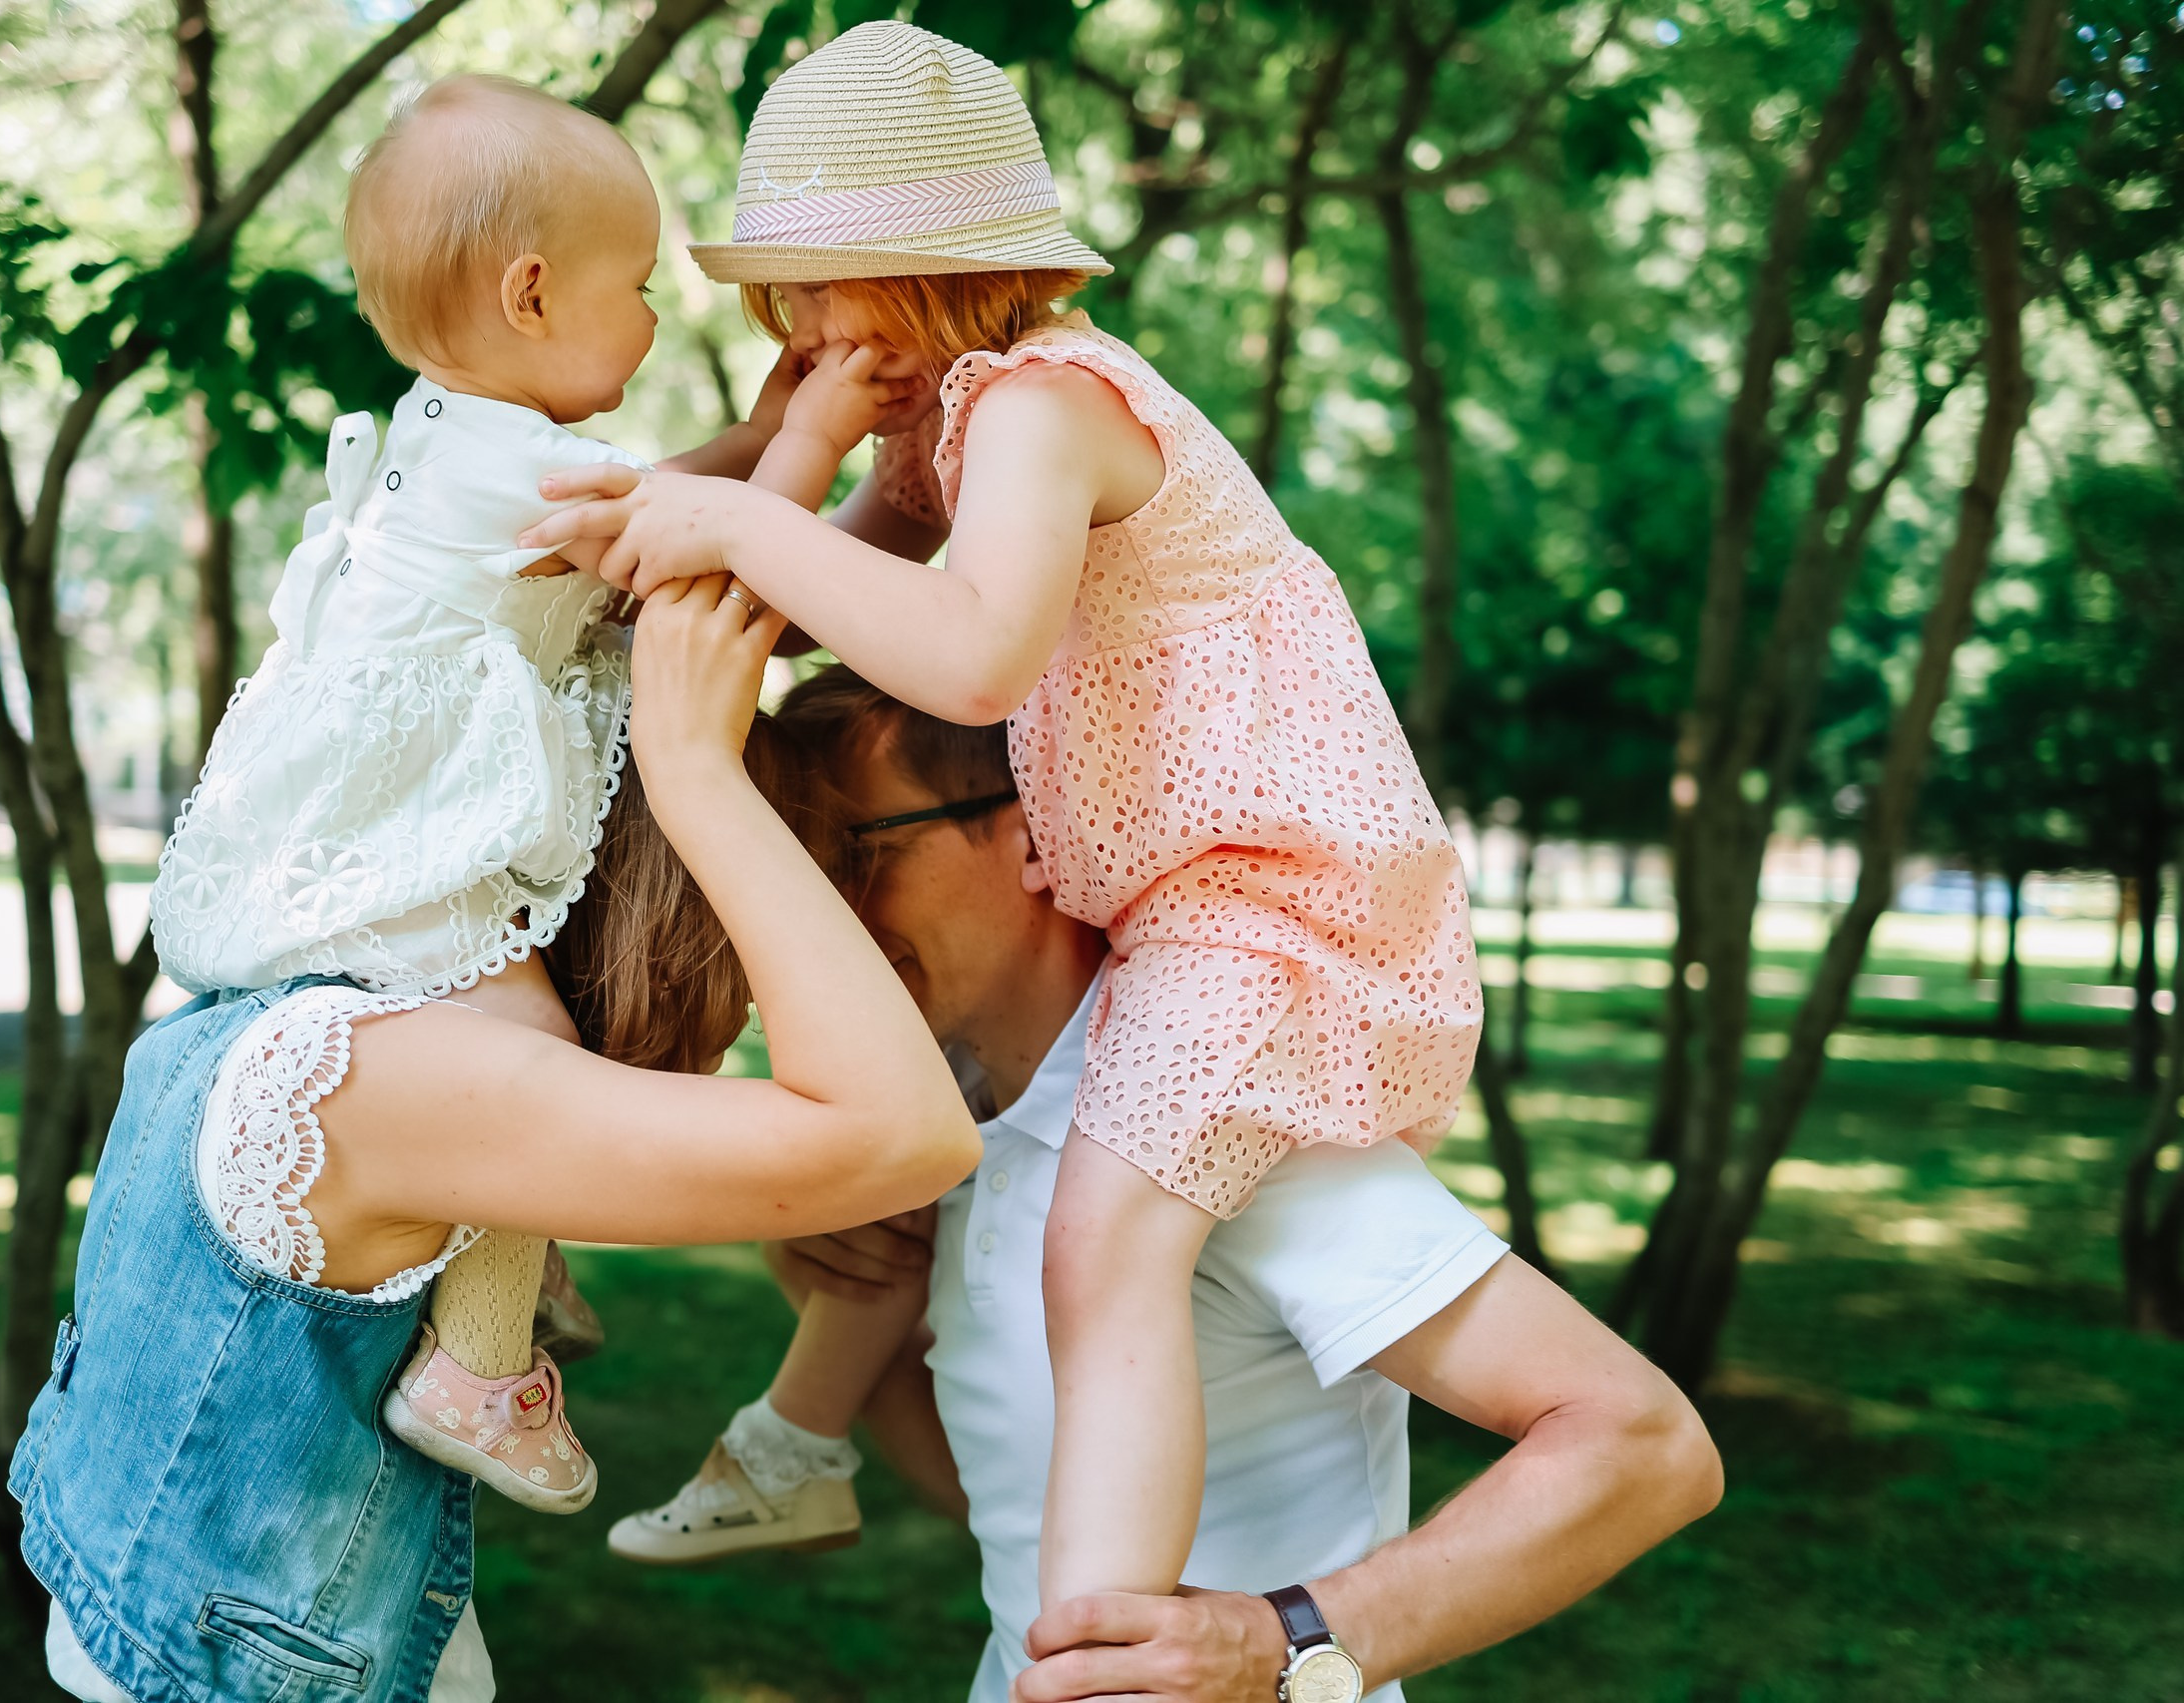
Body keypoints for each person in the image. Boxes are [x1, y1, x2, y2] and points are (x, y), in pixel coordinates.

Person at [534, 21, 1486, 1615]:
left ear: (945, 270)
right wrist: (769, 457)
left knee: (1103, 1243)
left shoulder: (1045, 403)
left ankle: (1094, 1640)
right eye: (791, 294)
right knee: (1013, 1206)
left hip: (1266, 894)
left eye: (834, 283)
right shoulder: (947, 430)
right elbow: (784, 596)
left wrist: (723, 509)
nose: (811, 321)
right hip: (1179, 893)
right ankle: (814, 1446)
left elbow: (971, 650)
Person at [626, 666, 1724, 1701]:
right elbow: (1005, 1509)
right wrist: (831, 1297)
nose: (817, 916)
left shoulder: (1216, 1123)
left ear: (1040, 832)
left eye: (855, 856)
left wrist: (1284, 1640)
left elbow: (1638, 1442)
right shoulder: (953, 1127)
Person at [142, 74, 904, 1511]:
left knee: (511, 1056)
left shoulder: (463, 430)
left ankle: (499, 1281)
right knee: (526, 1056)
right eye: (635, 284)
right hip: (410, 845)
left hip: (357, 815)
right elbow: (701, 548)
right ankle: (479, 1363)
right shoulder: (519, 465)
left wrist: (765, 432)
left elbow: (663, 496)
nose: (656, 314)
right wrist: (815, 439)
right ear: (535, 292)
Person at [14, 584, 979, 1702]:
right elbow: (904, 1134)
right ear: (657, 901)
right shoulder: (401, 1082)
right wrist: (701, 774)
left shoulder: (312, 1003)